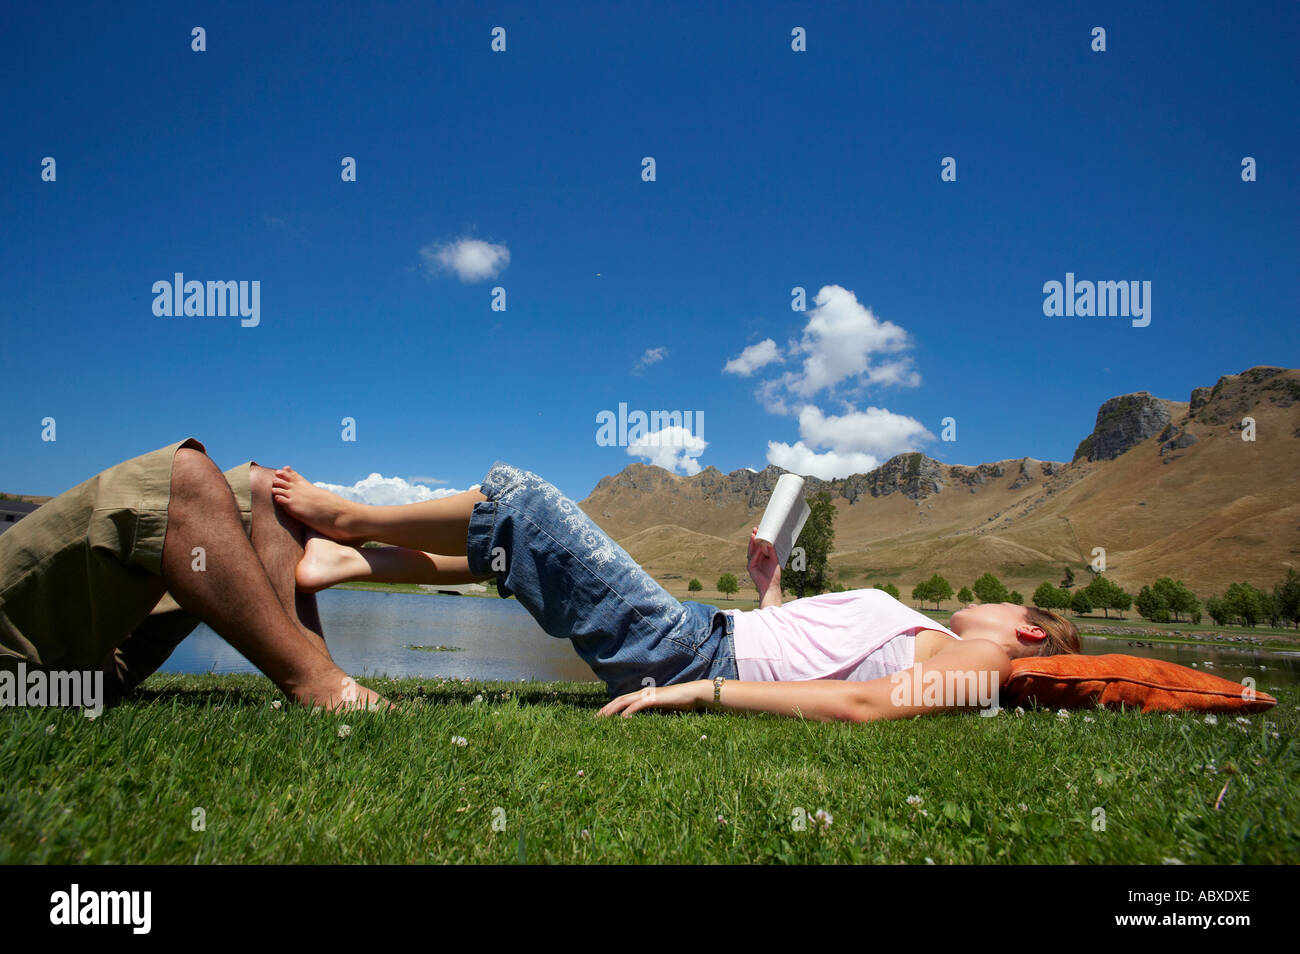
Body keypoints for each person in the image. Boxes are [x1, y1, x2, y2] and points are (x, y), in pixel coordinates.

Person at [272, 460, 1079, 722]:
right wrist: (770, 589)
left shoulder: (986, 657)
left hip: (689, 652)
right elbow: (815, 660)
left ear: (1029, 633)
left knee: (520, 498)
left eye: (1018, 606)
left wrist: (698, 694)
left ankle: (348, 518)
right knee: (516, 552)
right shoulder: (935, 633)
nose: (1001, 605)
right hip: (704, 634)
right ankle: (345, 564)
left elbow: (864, 708)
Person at [0, 439, 387, 712]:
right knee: (185, 477)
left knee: (268, 491)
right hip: (18, 678)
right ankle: (320, 687)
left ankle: (326, 686)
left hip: (97, 670)